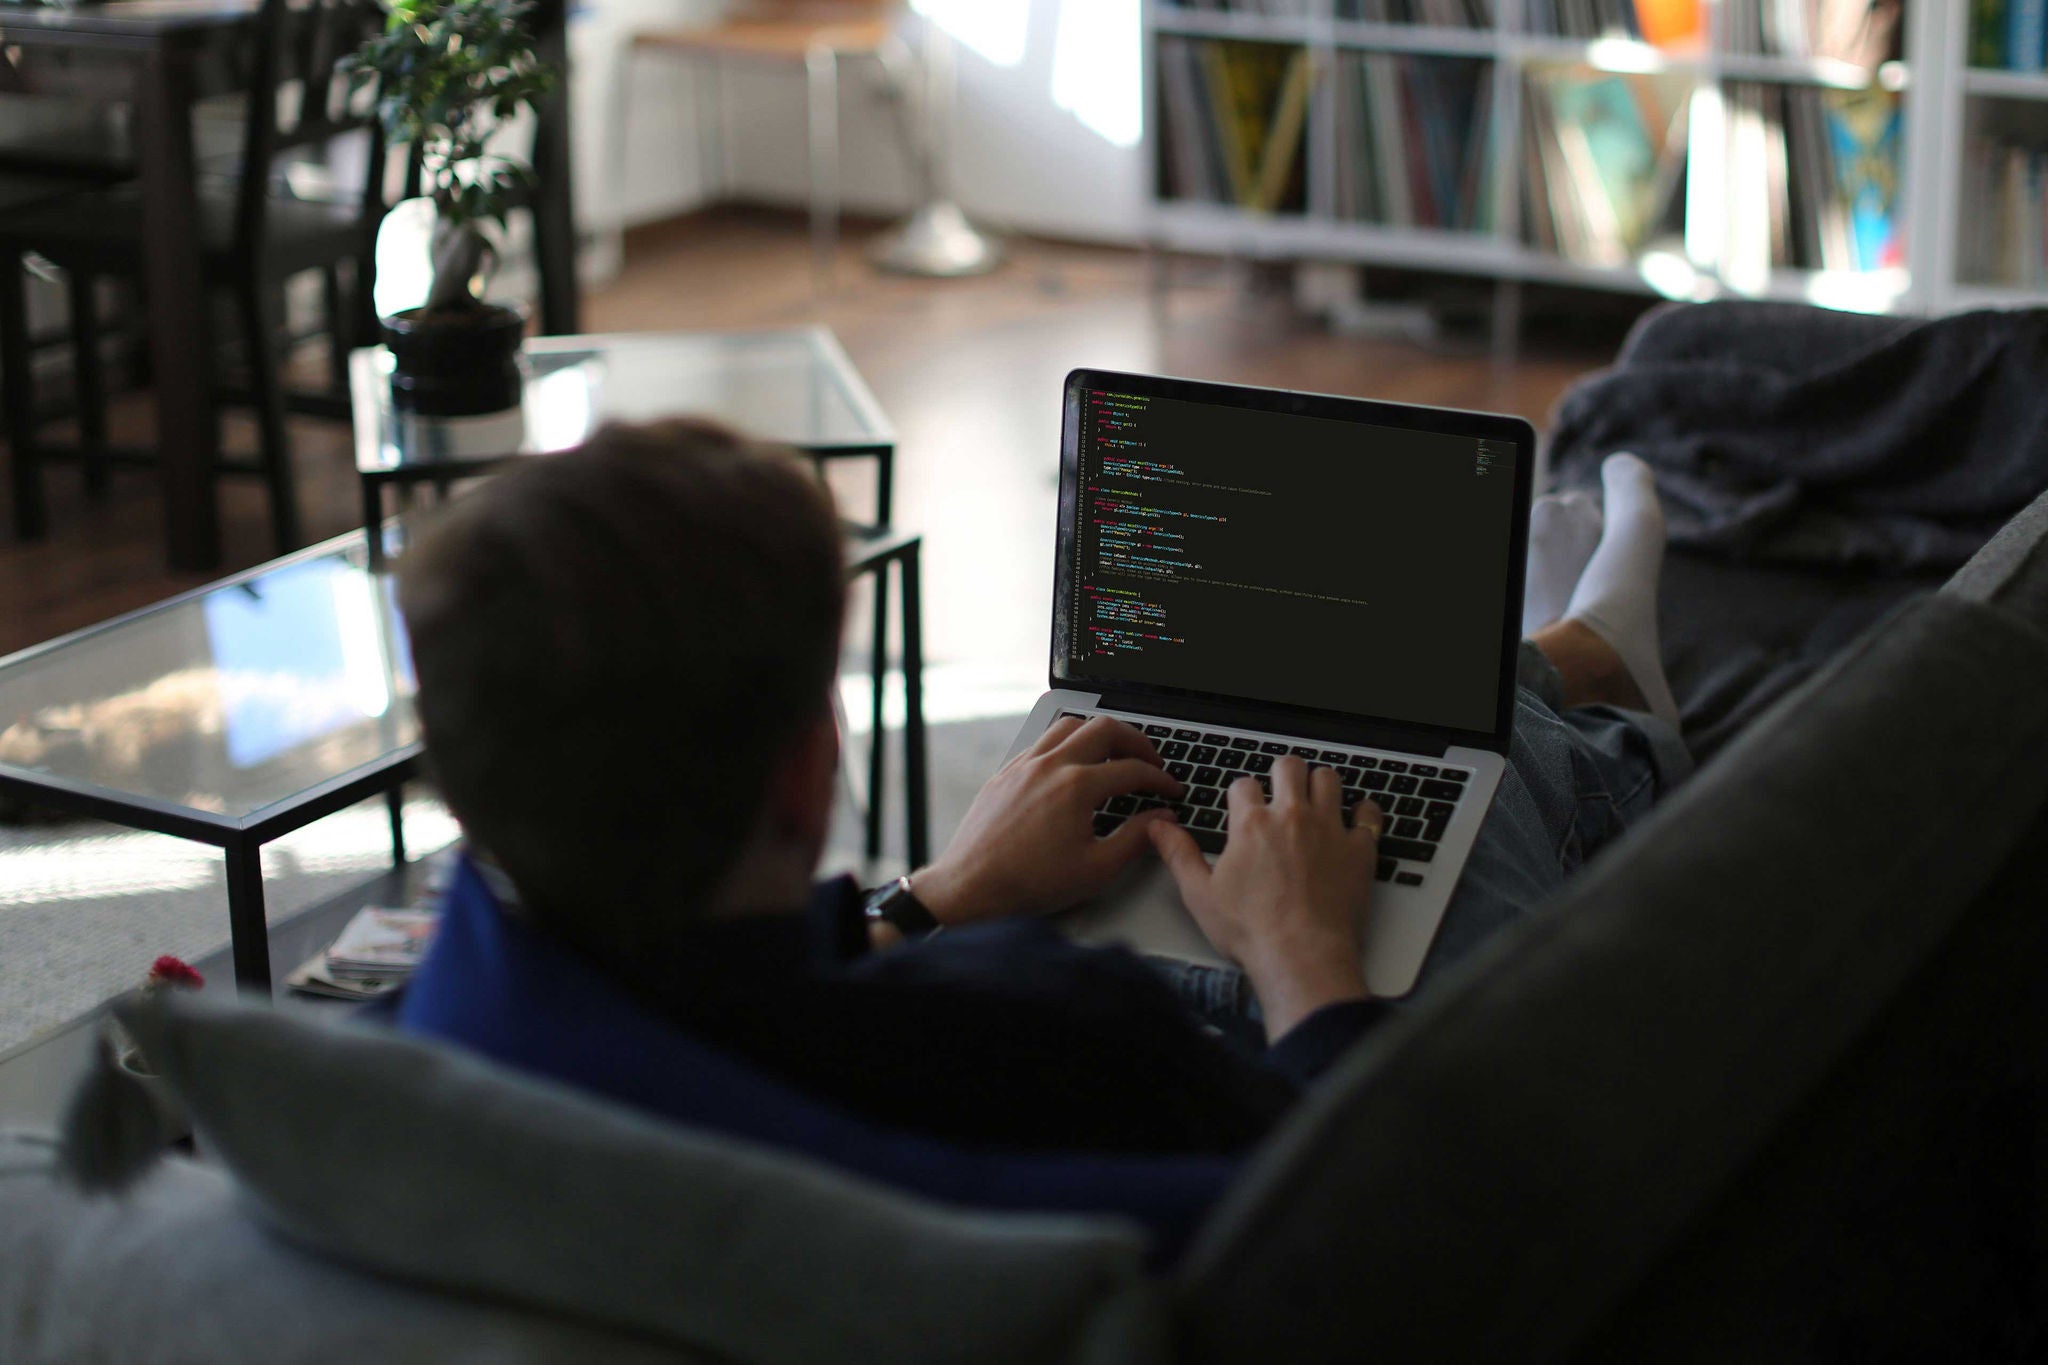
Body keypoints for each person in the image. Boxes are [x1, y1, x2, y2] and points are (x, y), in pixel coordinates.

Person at [389, 418, 1689, 1245]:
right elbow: (1380, 1229)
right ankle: (1608, 709)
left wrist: (936, 894)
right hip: (1325, 1103)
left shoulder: (431, 1042)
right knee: (1459, 786)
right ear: (807, 772)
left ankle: (1580, 656)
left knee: (1395, 739)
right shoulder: (1053, 1031)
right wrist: (1301, 955)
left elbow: (730, 994)